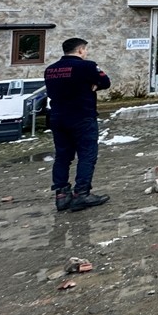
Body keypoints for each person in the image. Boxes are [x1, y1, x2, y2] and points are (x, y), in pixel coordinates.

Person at [44, 37, 111, 212]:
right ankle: (81, 193)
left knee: (62, 156)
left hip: (58, 117)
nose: (86, 52)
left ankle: (61, 194)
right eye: (85, 49)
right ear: (80, 50)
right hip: (82, 116)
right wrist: (94, 85)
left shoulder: (50, 70)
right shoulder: (86, 66)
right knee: (87, 155)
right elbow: (105, 82)